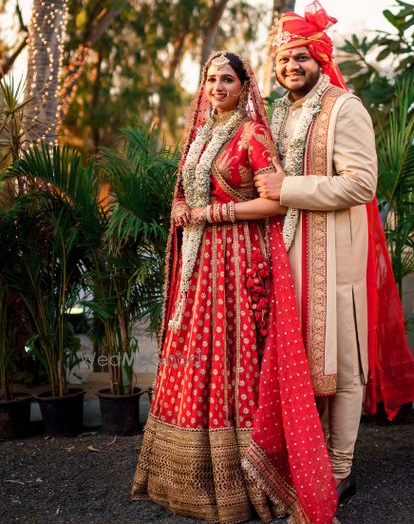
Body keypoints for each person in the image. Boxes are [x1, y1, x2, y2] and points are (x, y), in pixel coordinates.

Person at [131, 51, 339, 523]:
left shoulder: (253, 135)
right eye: (211, 79)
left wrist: (211, 214)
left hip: (239, 262)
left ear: (245, 87)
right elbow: (190, 187)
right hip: (201, 264)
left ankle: (240, 481)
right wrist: (184, 205)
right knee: (196, 356)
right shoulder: (202, 134)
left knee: (234, 356)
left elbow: (275, 203)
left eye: (227, 79)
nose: (218, 86)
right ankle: (183, 476)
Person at [255, 2, 414, 502]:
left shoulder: (344, 108)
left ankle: (340, 467)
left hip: (334, 259)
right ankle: (298, 457)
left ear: (320, 57)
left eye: (301, 58)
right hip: (283, 255)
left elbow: (361, 183)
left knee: (343, 364)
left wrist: (288, 189)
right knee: (295, 362)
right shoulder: (280, 111)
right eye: (284, 60)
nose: (291, 68)